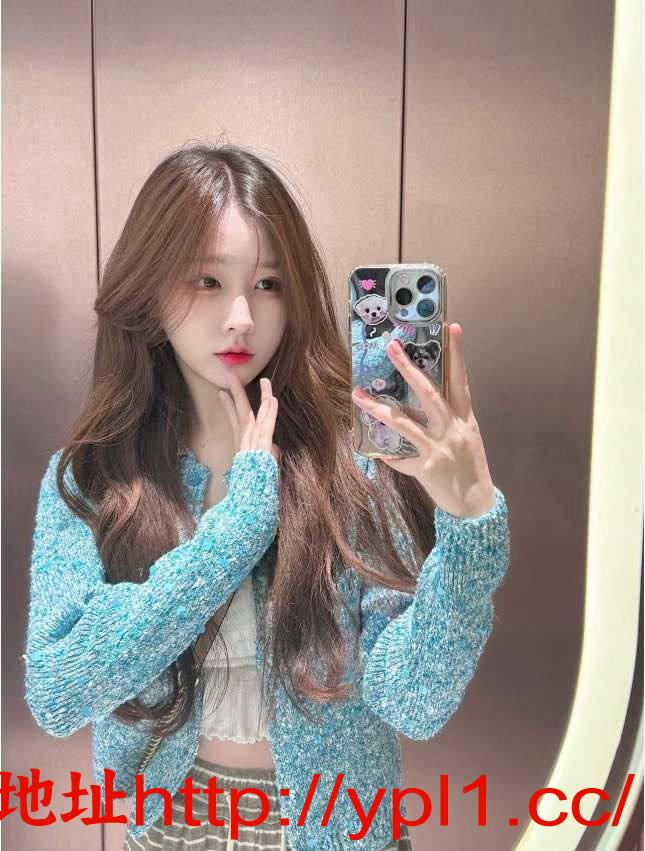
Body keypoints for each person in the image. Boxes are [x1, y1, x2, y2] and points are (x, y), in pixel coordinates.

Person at [23, 141, 511, 851]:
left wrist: (469, 528)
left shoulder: (352, 464)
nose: (242, 317)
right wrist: (237, 530)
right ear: (149, 287)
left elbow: (414, 702)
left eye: (269, 283)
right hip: (169, 830)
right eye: (208, 280)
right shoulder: (94, 477)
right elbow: (58, 690)